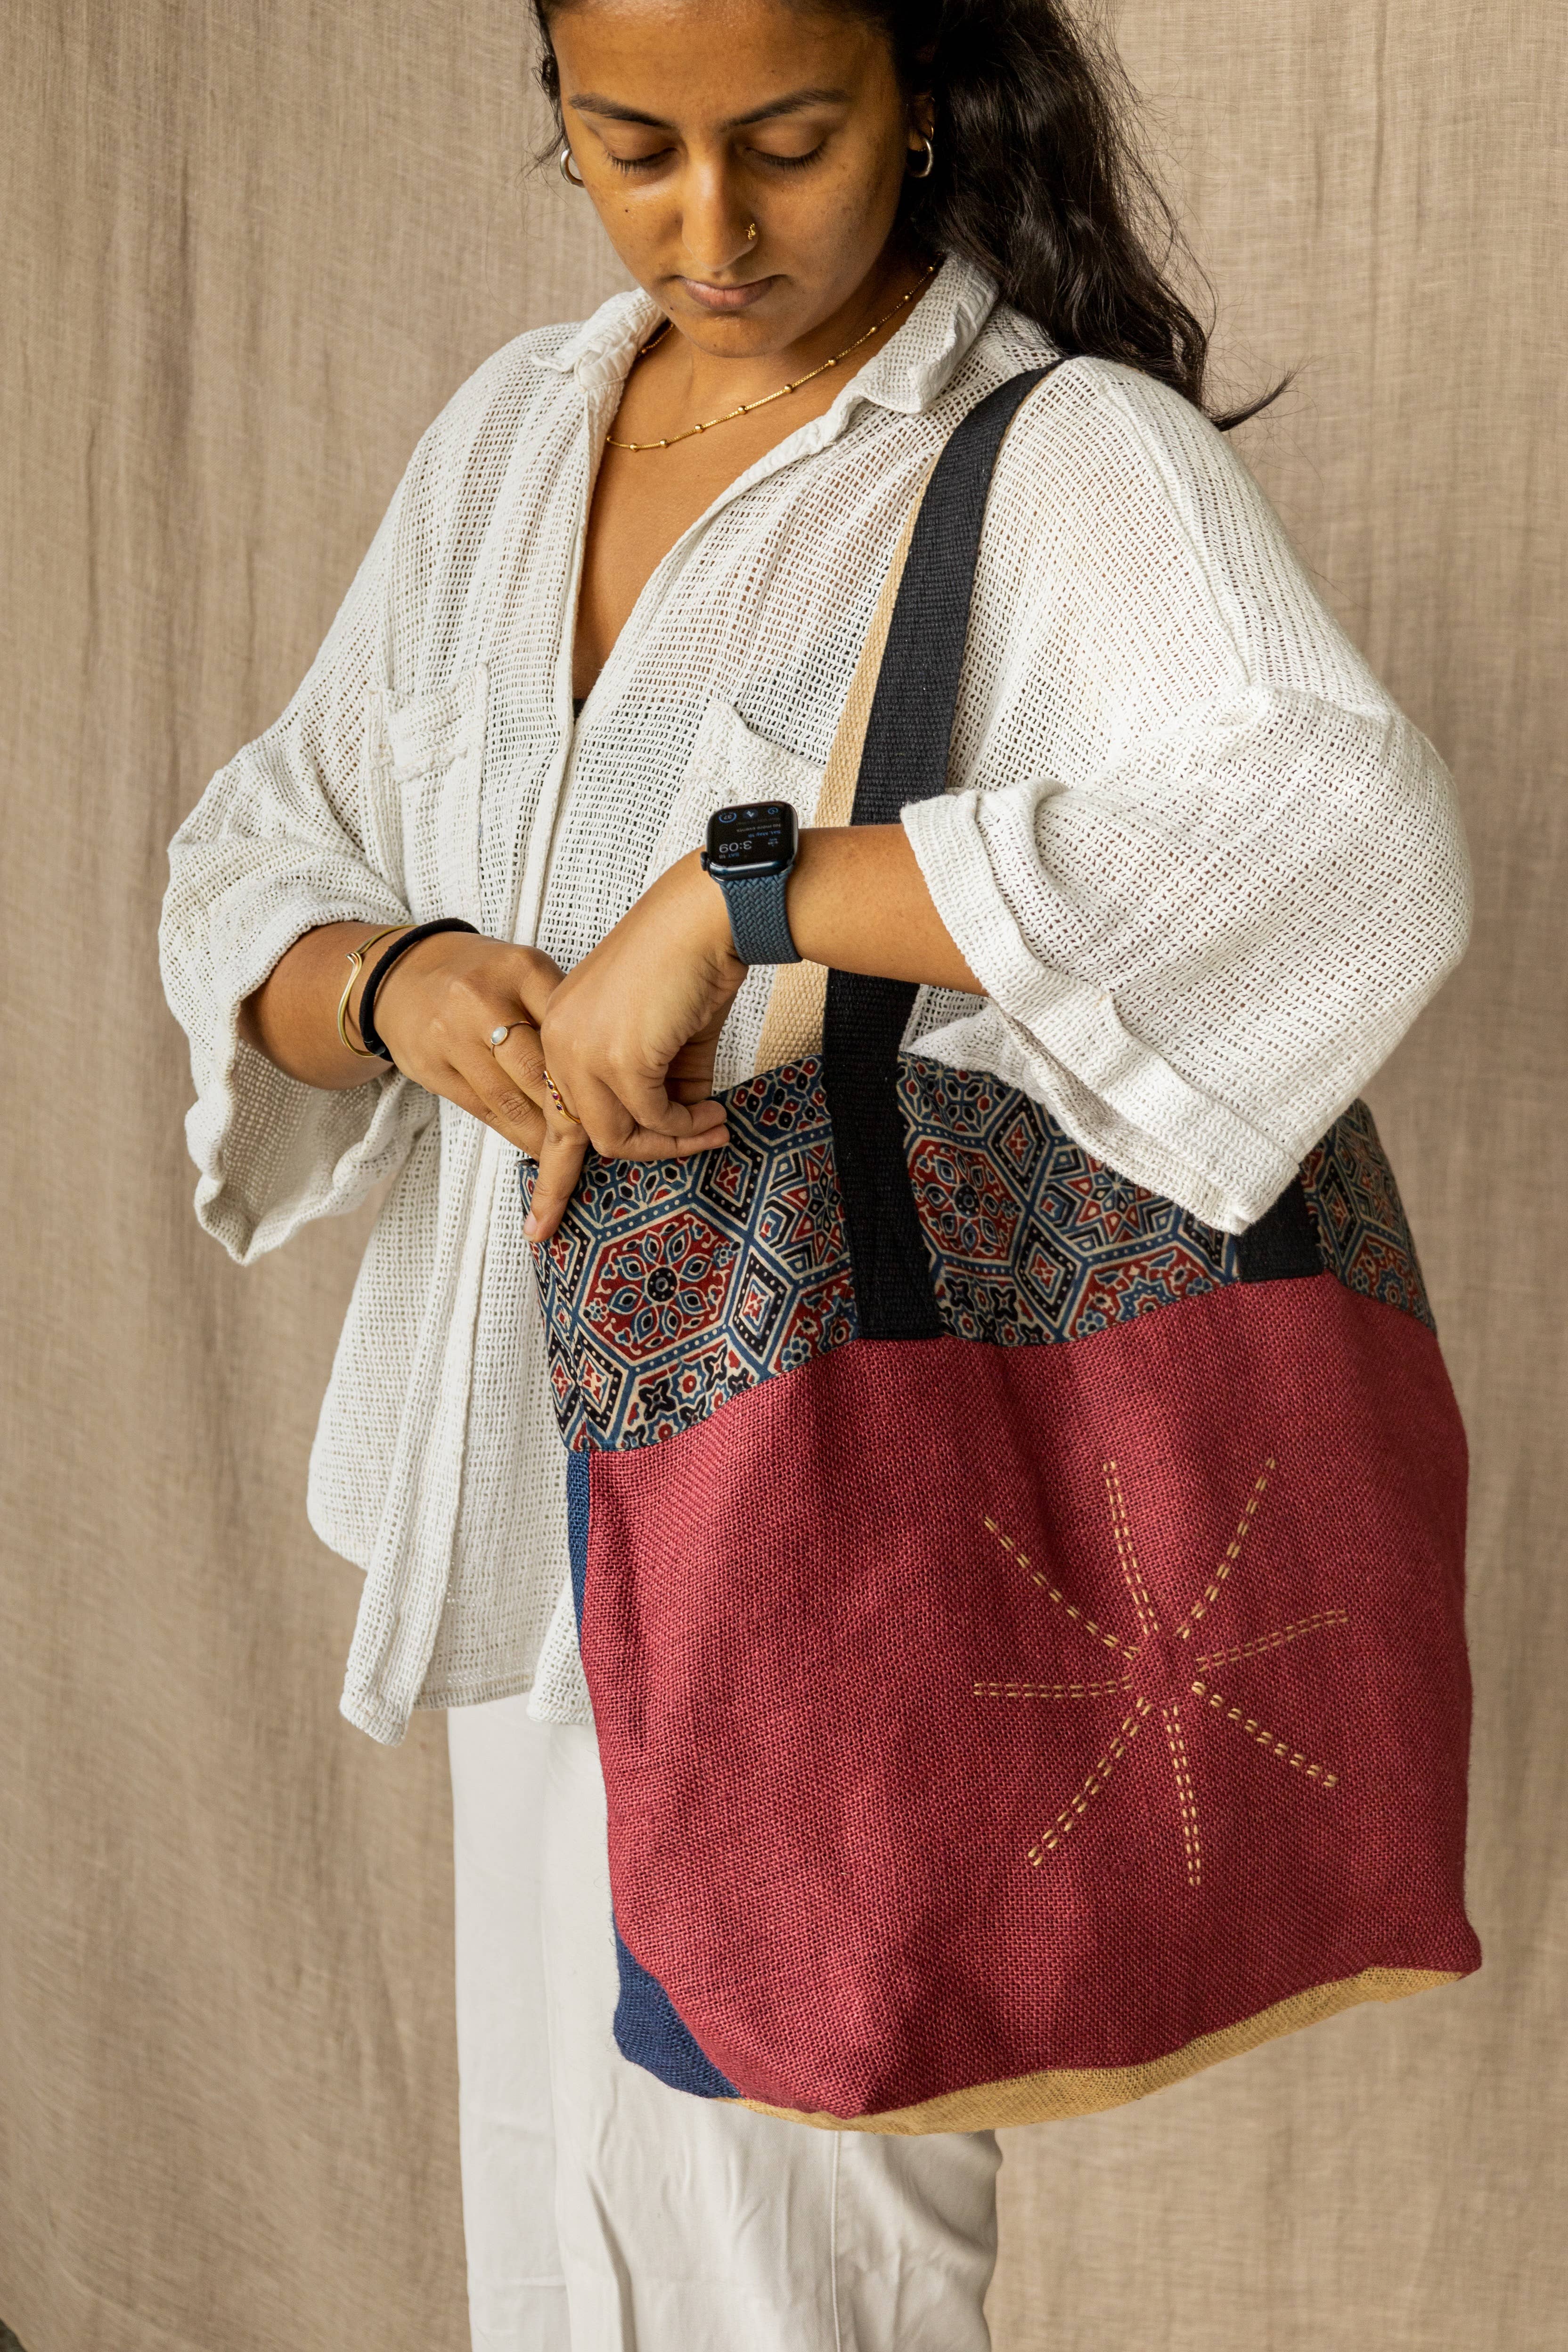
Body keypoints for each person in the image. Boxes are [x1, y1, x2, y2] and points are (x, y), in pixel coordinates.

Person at [159, 0, 1471, 2344]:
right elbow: (258, 844)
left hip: (831, 1524)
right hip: (521, 1493)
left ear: (921, 103)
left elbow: (1346, 842)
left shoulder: (1056, 458)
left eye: (784, 142)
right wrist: (392, 979)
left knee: (789, 2275)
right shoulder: (512, 441)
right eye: (629, 147)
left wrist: (745, 899)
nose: (710, 226)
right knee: (558, 2253)